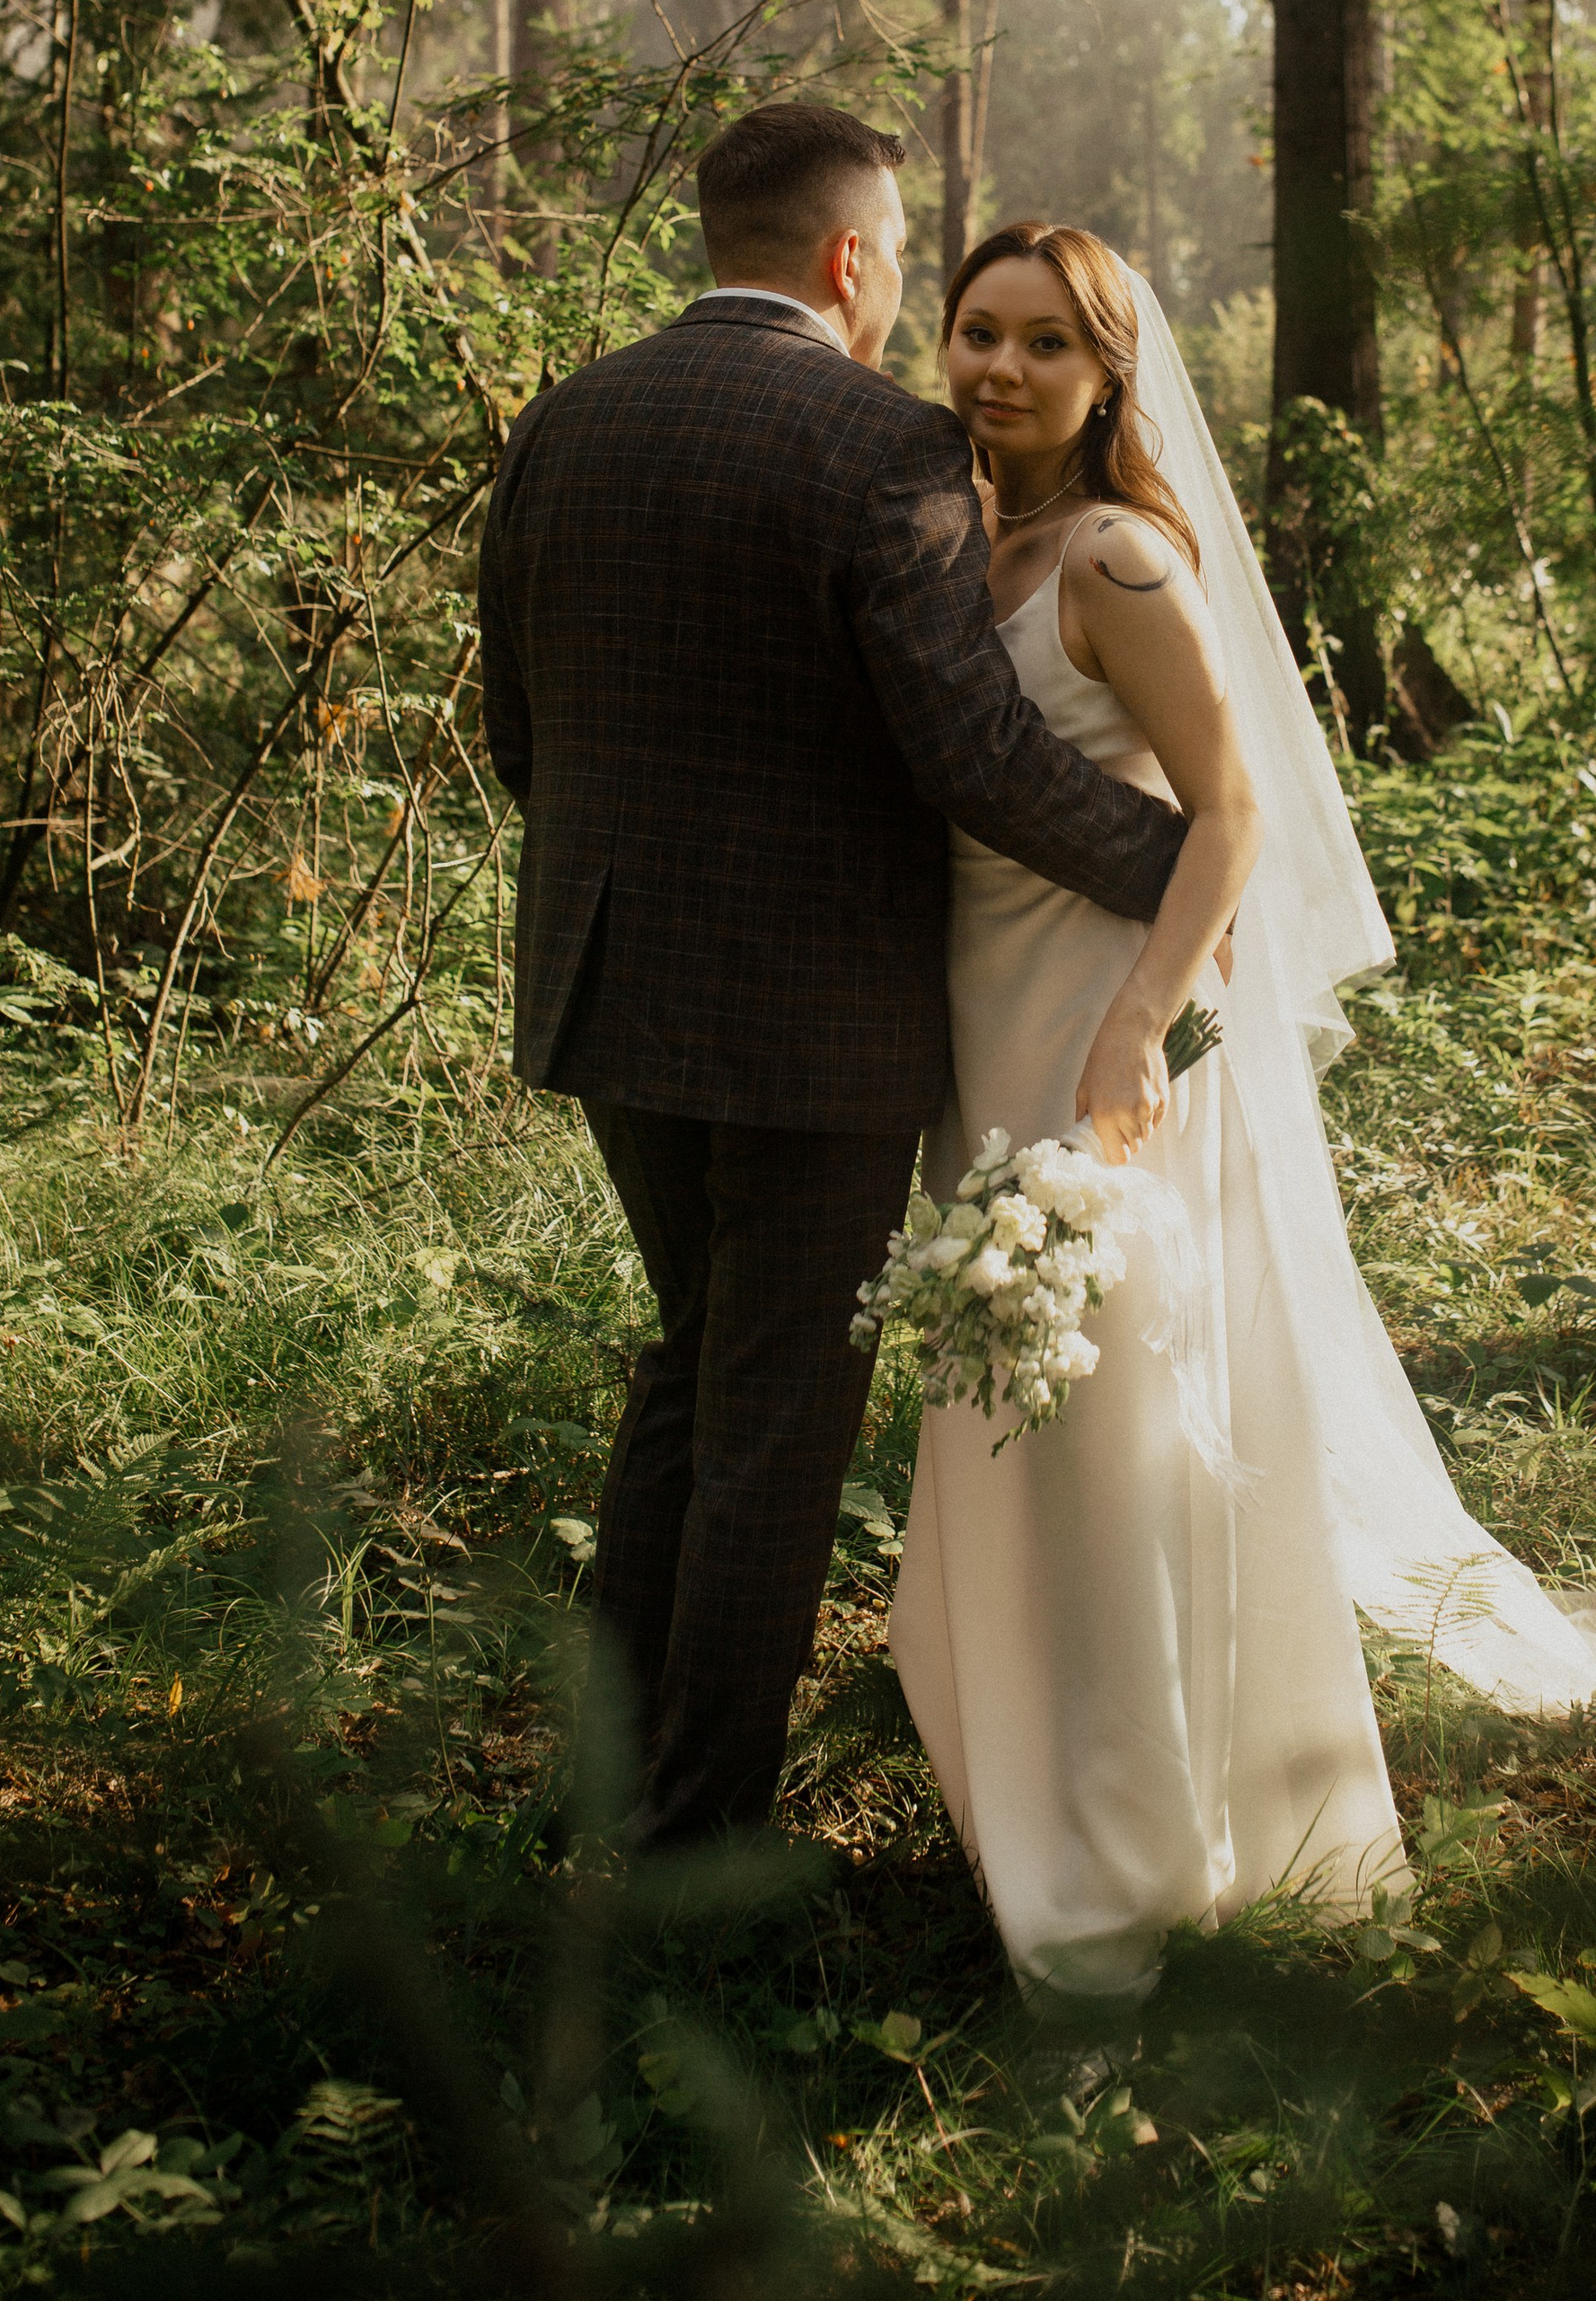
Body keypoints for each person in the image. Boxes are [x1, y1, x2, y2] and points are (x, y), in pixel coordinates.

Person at [888, 223, 1596, 2012]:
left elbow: (1232, 812)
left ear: (1107, 377)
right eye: (975, 333)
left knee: (1110, 1439)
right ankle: (1030, 1785)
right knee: (1011, 1432)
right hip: (973, 1026)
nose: (1001, 370)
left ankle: (1133, 1855)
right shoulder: (962, 548)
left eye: (1042, 344)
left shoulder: (1112, 557)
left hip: (1098, 1041)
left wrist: (1131, 1029)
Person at [476, 109, 1187, 1853]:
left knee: (691, 1364)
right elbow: (974, 758)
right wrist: (1186, 878)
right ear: (853, 263)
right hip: (812, 1026)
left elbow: (518, 740)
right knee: (773, 1428)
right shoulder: (884, 450)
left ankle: (606, 1790)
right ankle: (694, 1840)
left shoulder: (561, 425)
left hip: (605, 984)